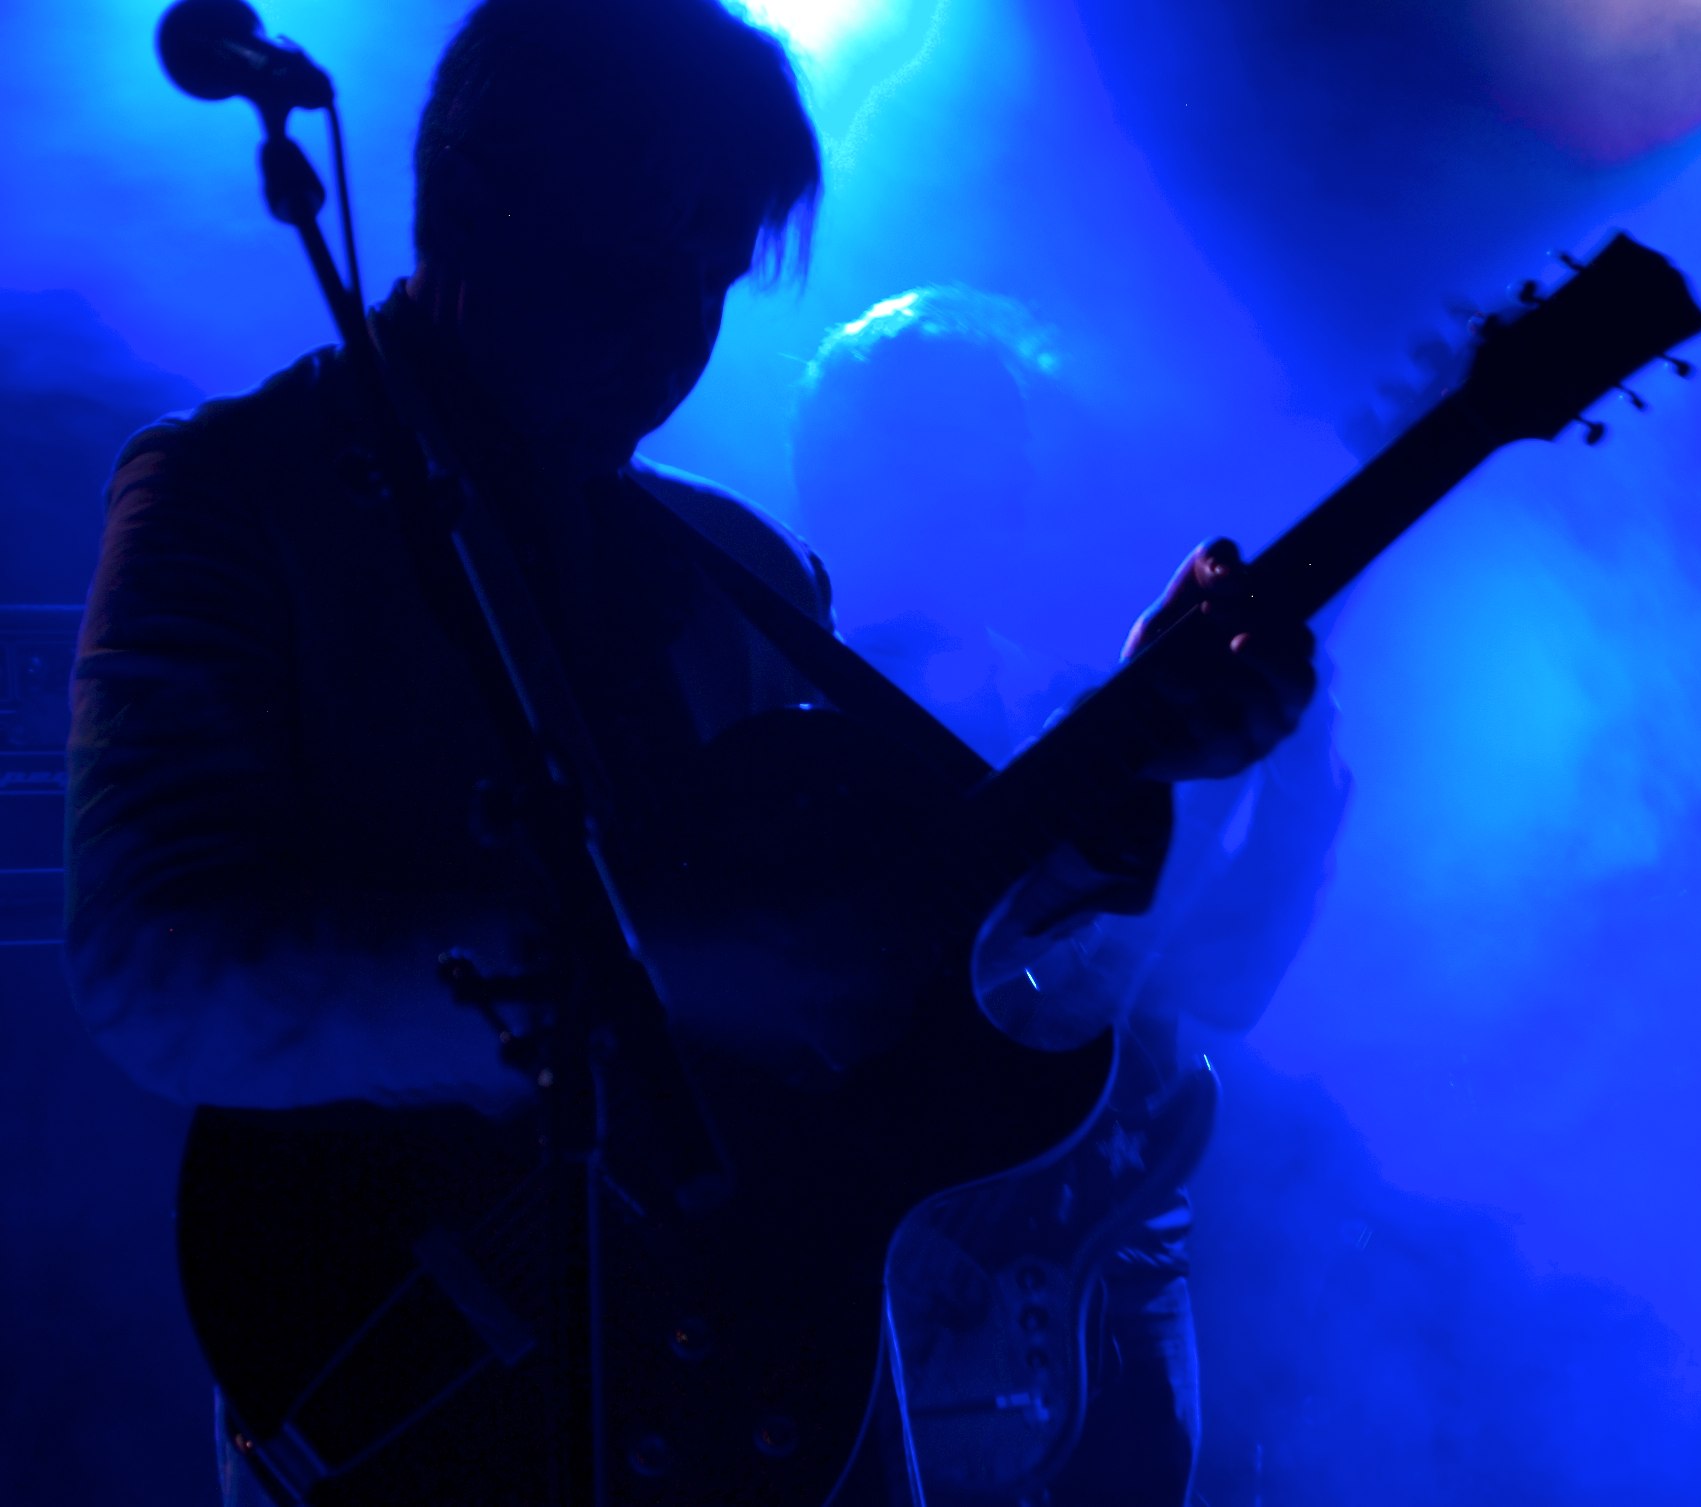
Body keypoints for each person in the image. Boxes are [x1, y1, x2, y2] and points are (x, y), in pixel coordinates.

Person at [63, 3, 1317, 1503]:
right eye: (627, 263)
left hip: (773, 1360)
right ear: (475, 194)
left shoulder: (743, 566)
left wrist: (1137, 738)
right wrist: (657, 970)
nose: (668, 335)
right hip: (413, 1360)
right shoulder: (228, 495)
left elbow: (885, 918)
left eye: (710, 280)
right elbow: (158, 969)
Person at [790, 286, 1351, 1506]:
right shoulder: (786, 721)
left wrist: (1303, 786)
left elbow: (1228, 987)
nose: (995, 487)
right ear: (837, 469)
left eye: (1007, 453)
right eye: (948, 446)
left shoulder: (1081, 712)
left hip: (1113, 1255)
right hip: (894, 1264)